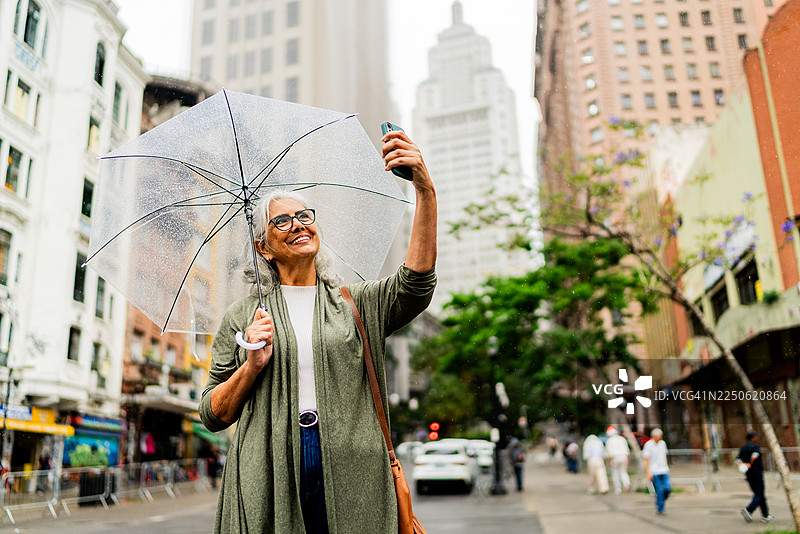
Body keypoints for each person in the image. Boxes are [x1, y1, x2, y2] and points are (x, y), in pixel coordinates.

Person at [199, 129, 437, 533]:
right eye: (281, 220)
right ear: (263, 247)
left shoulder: (356, 303)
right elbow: (213, 414)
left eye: (304, 216)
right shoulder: (242, 317)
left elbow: (415, 285)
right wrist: (251, 365)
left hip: (351, 465)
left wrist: (424, 191)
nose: (298, 225)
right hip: (268, 471)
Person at [738, 431, 774, 523]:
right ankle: (749, 510)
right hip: (756, 472)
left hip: (748, 473)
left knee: (759, 493)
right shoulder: (754, 446)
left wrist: (744, 465)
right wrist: (750, 463)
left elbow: (738, 460)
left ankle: (765, 515)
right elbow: (754, 456)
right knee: (759, 493)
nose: (757, 438)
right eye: (755, 436)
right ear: (752, 438)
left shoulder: (743, 447)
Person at [642, 428, 670, 514]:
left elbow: (664, 456)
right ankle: (660, 507)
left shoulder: (663, 444)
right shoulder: (648, 445)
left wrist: (666, 466)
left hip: (664, 470)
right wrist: (648, 473)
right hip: (654, 471)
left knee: (667, 488)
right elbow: (646, 459)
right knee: (659, 490)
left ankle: (660, 501)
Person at [605, 427, 630, 494]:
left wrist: (608, 462)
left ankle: (618, 488)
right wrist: (628, 459)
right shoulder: (622, 439)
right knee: (623, 471)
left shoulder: (609, 441)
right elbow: (627, 450)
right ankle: (626, 483)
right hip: (623, 457)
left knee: (615, 473)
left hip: (614, 458)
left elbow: (609, 453)